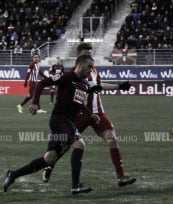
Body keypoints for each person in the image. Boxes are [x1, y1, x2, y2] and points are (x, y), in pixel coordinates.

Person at [42, 42, 137, 187]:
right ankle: (50, 165)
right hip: (80, 113)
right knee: (66, 145)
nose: (89, 57)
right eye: (86, 54)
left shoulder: (92, 69)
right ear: (79, 54)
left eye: (90, 54)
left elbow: (99, 84)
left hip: (97, 112)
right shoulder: (73, 73)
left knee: (112, 139)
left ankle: (121, 177)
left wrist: (119, 86)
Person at [3, 54, 100, 194]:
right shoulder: (66, 77)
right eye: (89, 66)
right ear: (80, 64)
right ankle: (75, 185)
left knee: (49, 158)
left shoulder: (84, 84)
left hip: (67, 122)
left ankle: (13, 175)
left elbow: (78, 104)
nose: (91, 70)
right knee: (79, 144)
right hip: (59, 119)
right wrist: (35, 102)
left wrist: (89, 114)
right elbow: (41, 84)